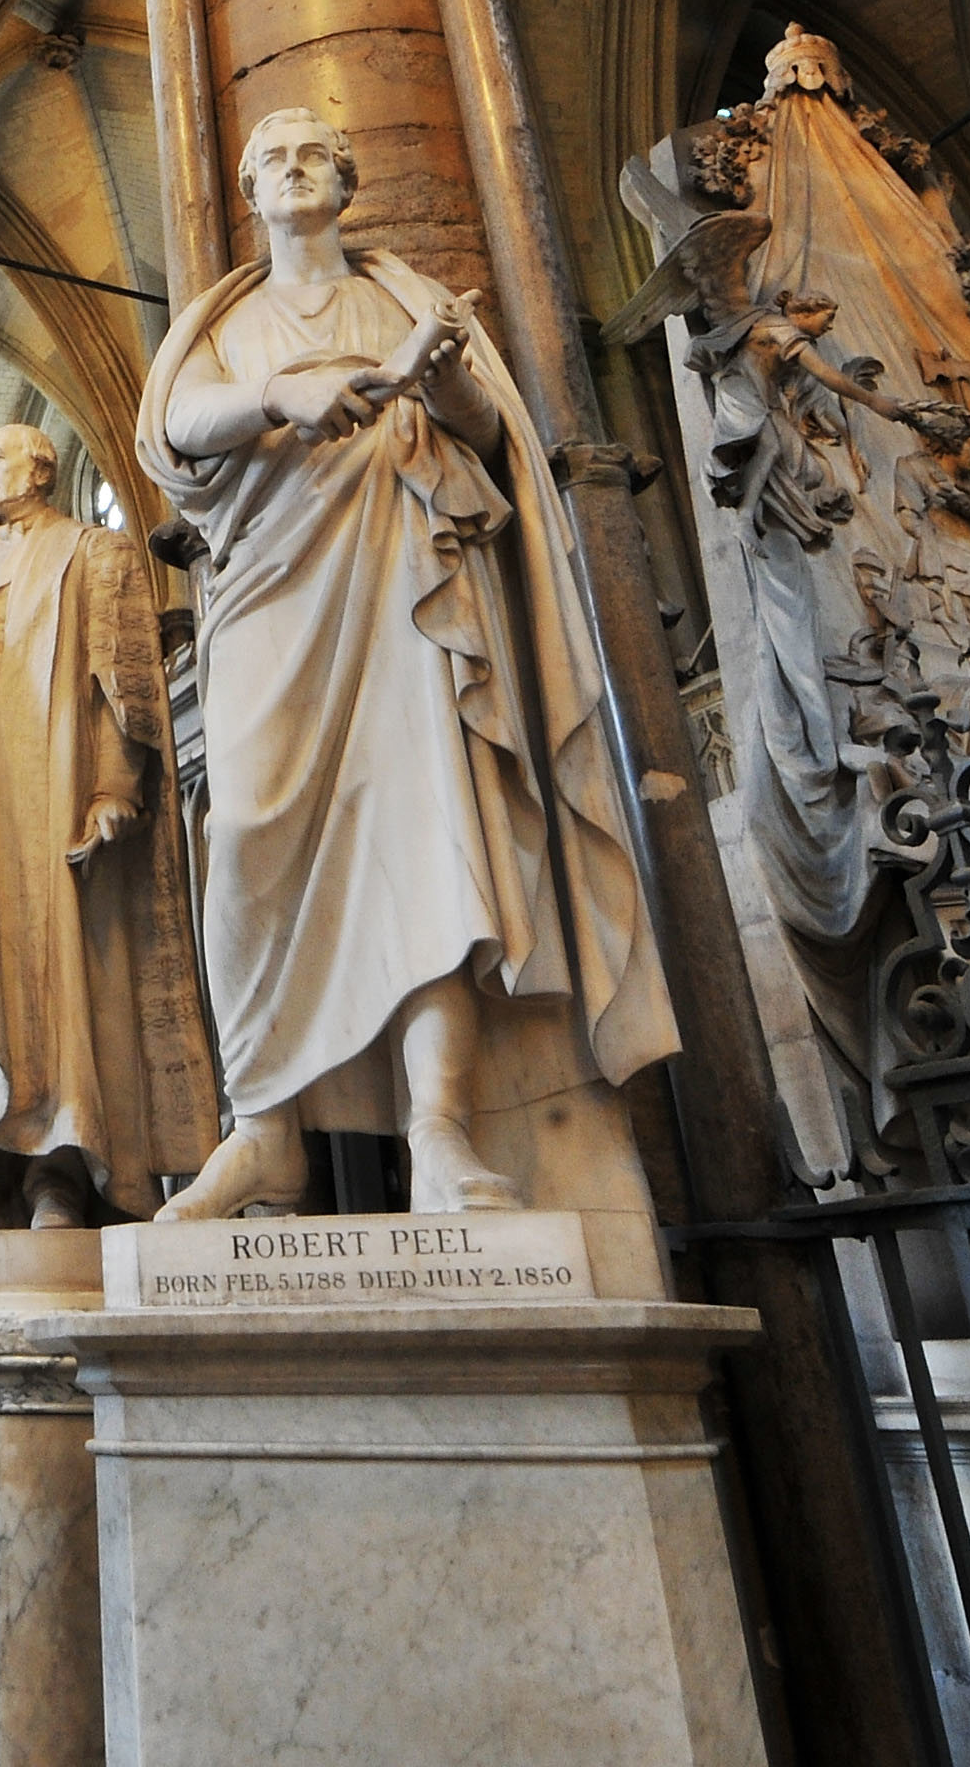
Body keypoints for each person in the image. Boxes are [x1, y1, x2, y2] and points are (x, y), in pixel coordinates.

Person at [137, 109, 677, 1219]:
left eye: (313, 154)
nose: (292, 169)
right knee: (243, 837)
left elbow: (486, 439)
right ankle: (263, 1130)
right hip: (269, 598)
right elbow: (178, 427)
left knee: (431, 842)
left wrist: (440, 389)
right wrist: (279, 395)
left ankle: (441, 1127)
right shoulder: (223, 318)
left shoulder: (409, 301)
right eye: (271, 158)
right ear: (249, 190)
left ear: (346, 178)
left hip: (408, 587)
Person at [0, 423, 209, 1234]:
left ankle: (60, 1172)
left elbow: (122, 679)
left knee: (57, 975)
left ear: (44, 469)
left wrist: (116, 786)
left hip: (48, 786)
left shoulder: (95, 554)